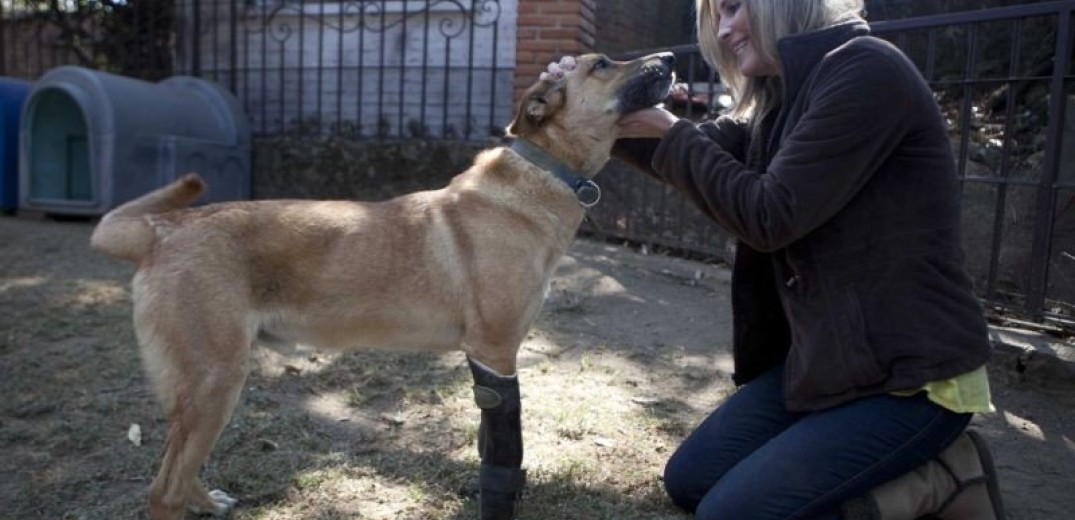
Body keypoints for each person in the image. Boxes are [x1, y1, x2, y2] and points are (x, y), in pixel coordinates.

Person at [613, 1, 1007, 519]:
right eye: (716, 17)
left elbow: (769, 214)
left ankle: (943, 480)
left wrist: (670, 131)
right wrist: (596, 110)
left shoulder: (867, 70)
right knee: (689, 480)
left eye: (733, 7)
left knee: (731, 515)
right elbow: (700, 152)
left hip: (914, 376)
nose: (723, 28)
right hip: (826, 363)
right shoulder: (780, 98)